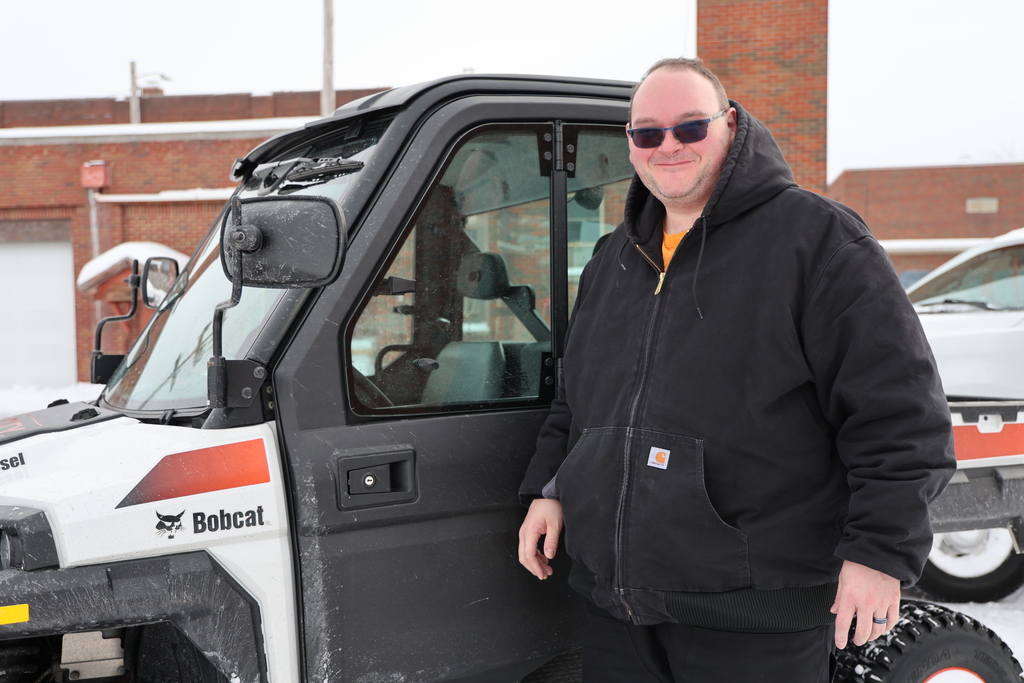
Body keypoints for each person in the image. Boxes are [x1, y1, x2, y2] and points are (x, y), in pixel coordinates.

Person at [517, 57, 956, 682]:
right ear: (631, 145)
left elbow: (901, 416)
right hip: (619, 609)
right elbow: (579, 398)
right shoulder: (614, 258)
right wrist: (550, 491)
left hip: (756, 617)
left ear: (730, 124)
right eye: (647, 133)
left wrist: (880, 554)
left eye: (689, 128)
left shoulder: (817, 240)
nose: (667, 145)